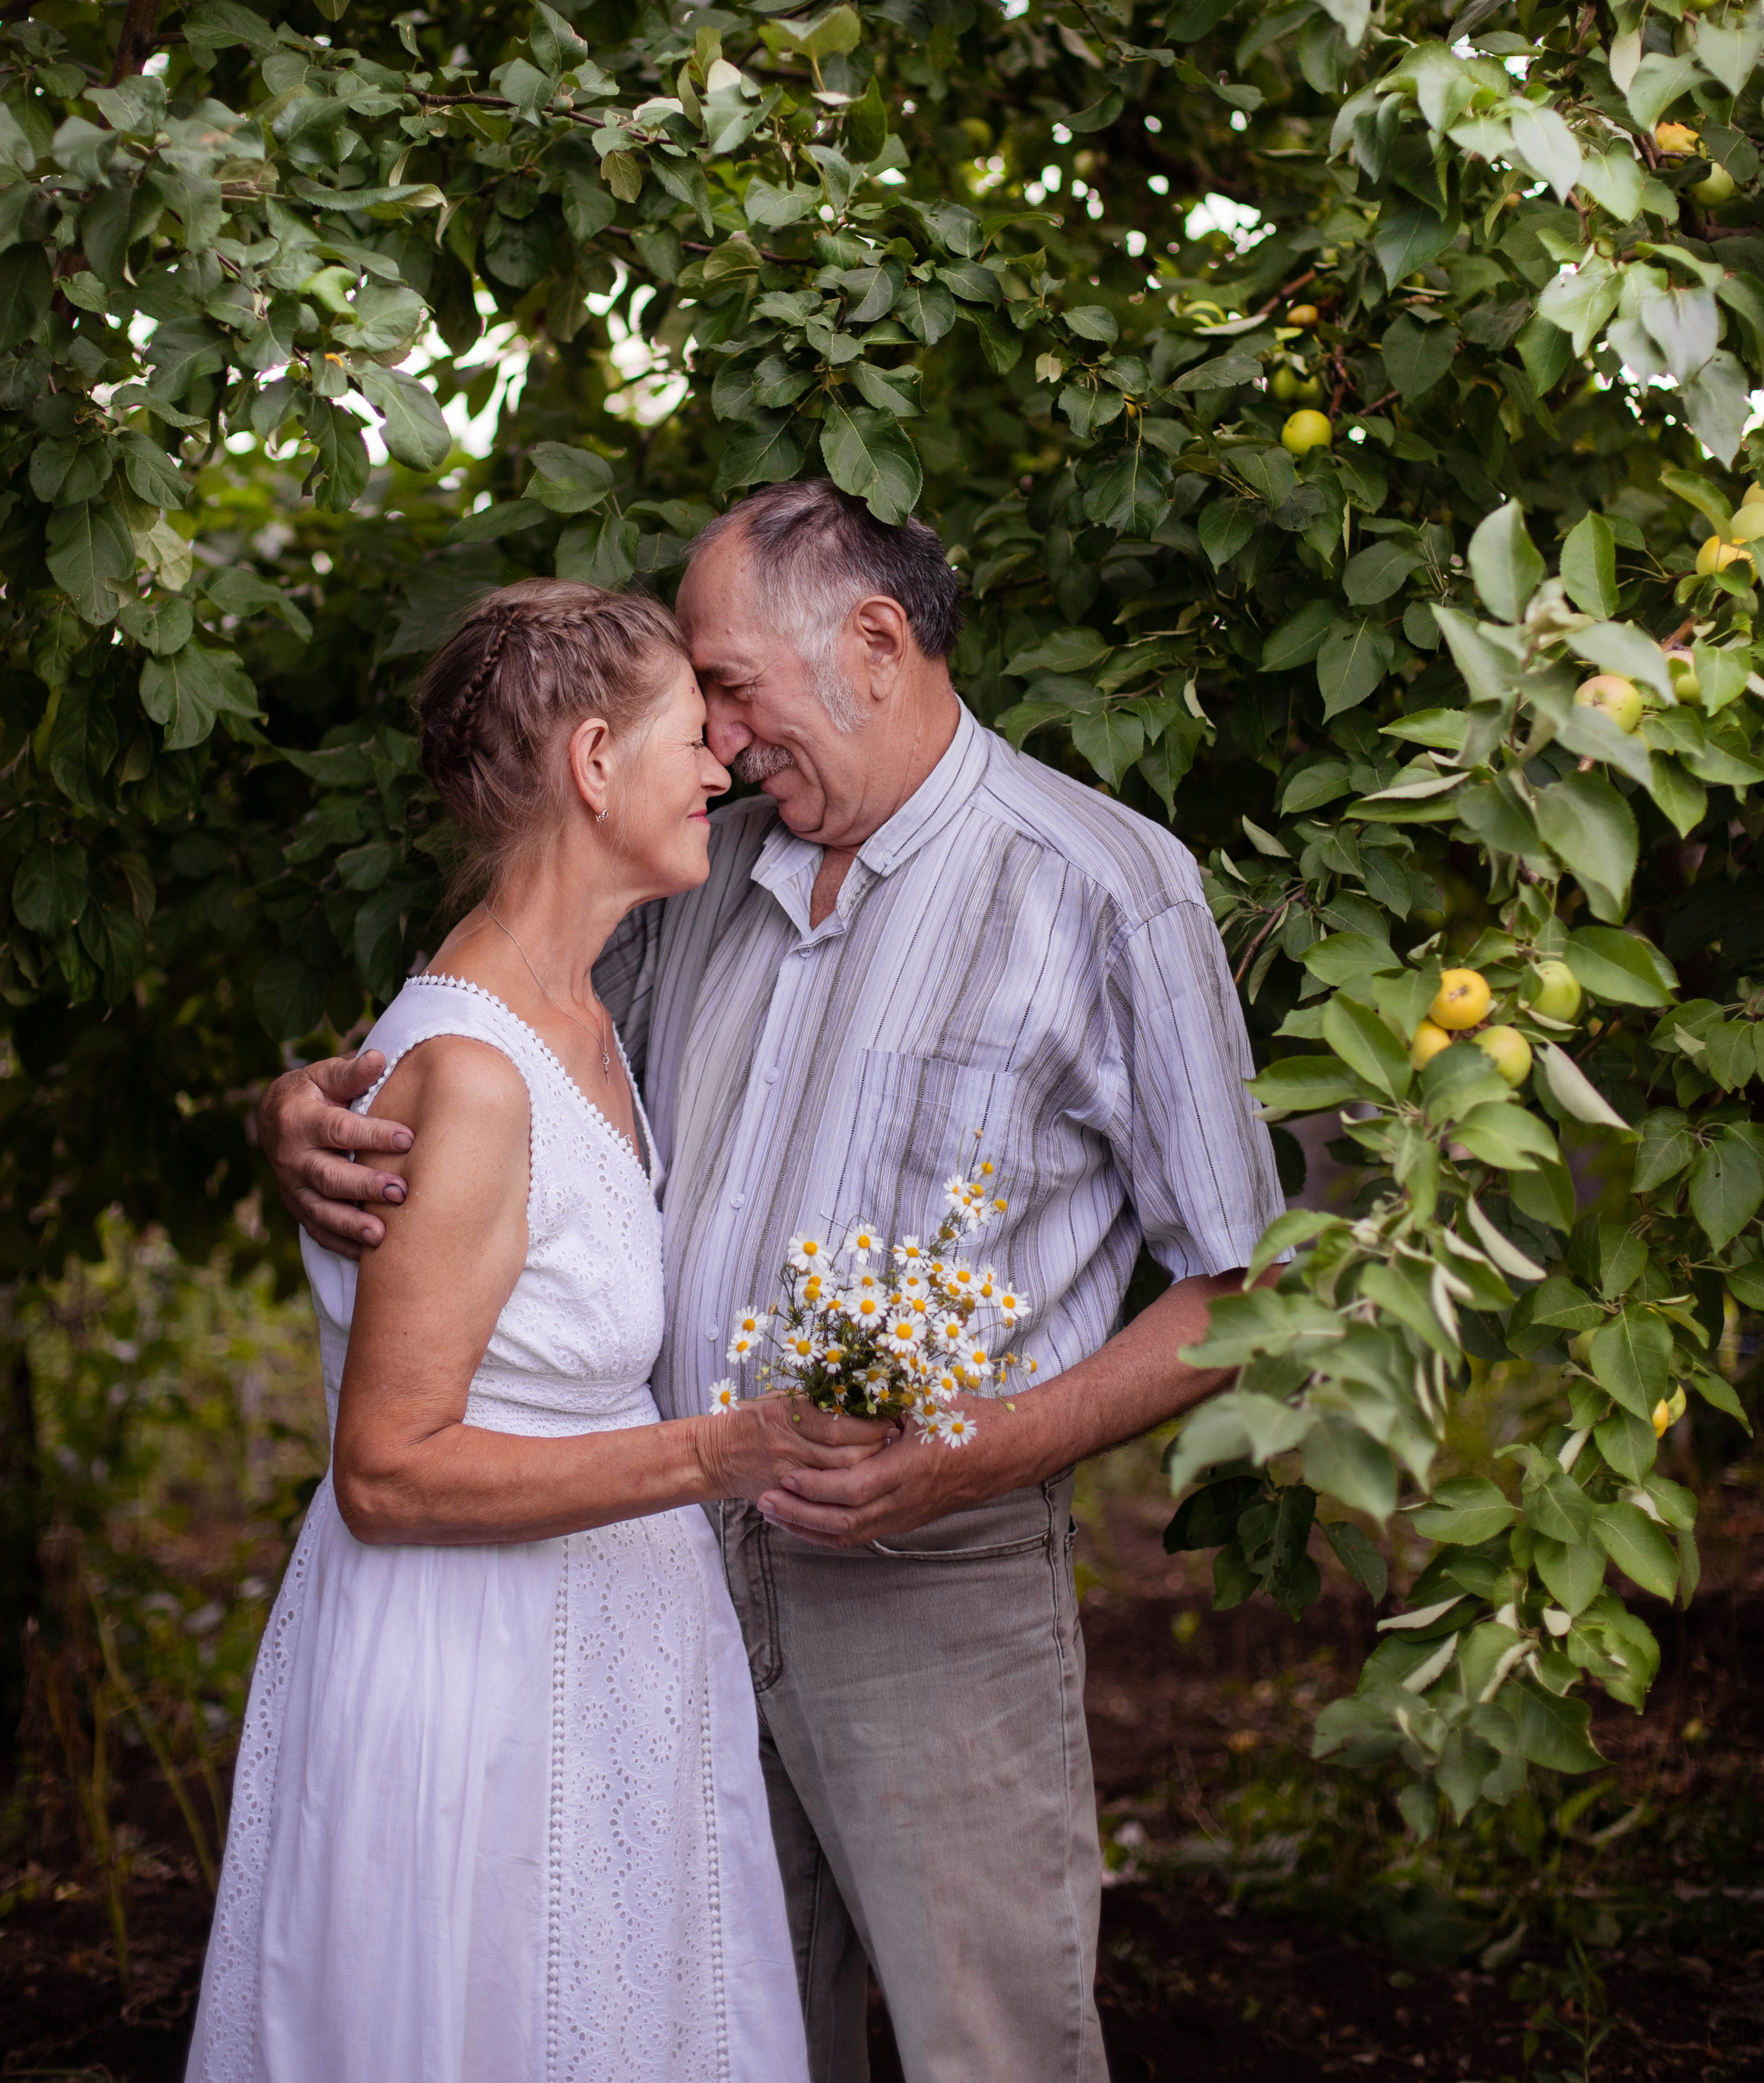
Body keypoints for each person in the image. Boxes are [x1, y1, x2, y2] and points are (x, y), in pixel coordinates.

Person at [262, 481, 1283, 2083]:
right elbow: (490, 1054)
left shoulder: (1101, 888)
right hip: (629, 1578)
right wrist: (302, 1106)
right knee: (719, 2028)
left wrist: (977, 1450)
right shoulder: (698, 875)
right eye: (699, 704)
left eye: (730, 684)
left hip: (928, 1589)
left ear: (874, 644)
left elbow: (1248, 1289)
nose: (723, 741)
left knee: (984, 2048)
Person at [190, 577, 886, 2083]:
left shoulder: (586, 1010)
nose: (717, 767)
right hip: (471, 1674)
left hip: (604, 1648)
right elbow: (387, 1472)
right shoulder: (479, 1070)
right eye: (688, 738)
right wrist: (734, 1446)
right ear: (591, 764)